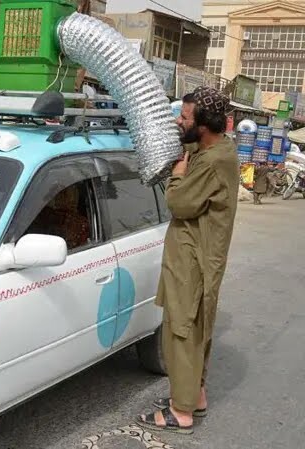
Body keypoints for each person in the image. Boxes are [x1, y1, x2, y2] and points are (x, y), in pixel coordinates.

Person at [137, 86, 240, 434]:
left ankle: (180, 412)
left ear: (205, 125)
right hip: (194, 256)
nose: (179, 122)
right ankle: (194, 398)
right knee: (194, 329)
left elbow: (180, 204)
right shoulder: (216, 147)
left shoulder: (212, 162)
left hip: (195, 260)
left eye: (184, 117)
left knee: (182, 332)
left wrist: (178, 176)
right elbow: (190, 146)